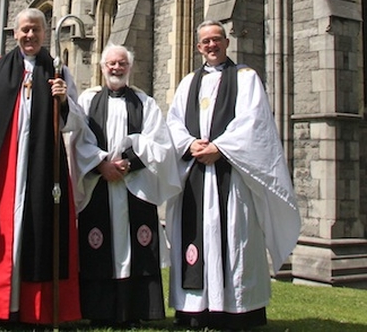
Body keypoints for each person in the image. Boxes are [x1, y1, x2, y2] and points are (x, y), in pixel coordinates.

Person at [166, 20, 301, 331]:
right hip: (196, 177)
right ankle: (195, 310)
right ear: (198, 47)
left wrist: (220, 148)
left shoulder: (246, 78)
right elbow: (172, 123)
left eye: (217, 40)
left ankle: (237, 310)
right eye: (205, 42)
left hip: (232, 177)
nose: (211, 46)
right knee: (197, 236)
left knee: (234, 238)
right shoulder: (188, 83)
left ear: (226, 43)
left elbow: (254, 123)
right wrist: (190, 144)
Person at [0, 8, 85, 325]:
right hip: (5, 163)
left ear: (44, 33)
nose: (29, 35)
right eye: (24, 30)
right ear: (14, 33)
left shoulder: (58, 69)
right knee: (1, 230)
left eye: (35, 30)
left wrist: (63, 101)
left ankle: (36, 309)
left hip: (43, 164)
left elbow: (75, 122)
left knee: (39, 227)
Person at [75, 44, 182, 326]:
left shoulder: (144, 102)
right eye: (111, 63)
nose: (116, 68)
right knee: (98, 246)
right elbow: (78, 140)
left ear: (129, 68)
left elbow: (158, 141)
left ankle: (136, 311)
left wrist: (128, 163)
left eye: (122, 63)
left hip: (134, 186)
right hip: (98, 185)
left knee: (137, 248)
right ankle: (98, 312)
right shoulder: (88, 101)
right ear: (102, 67)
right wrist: (102, 165)